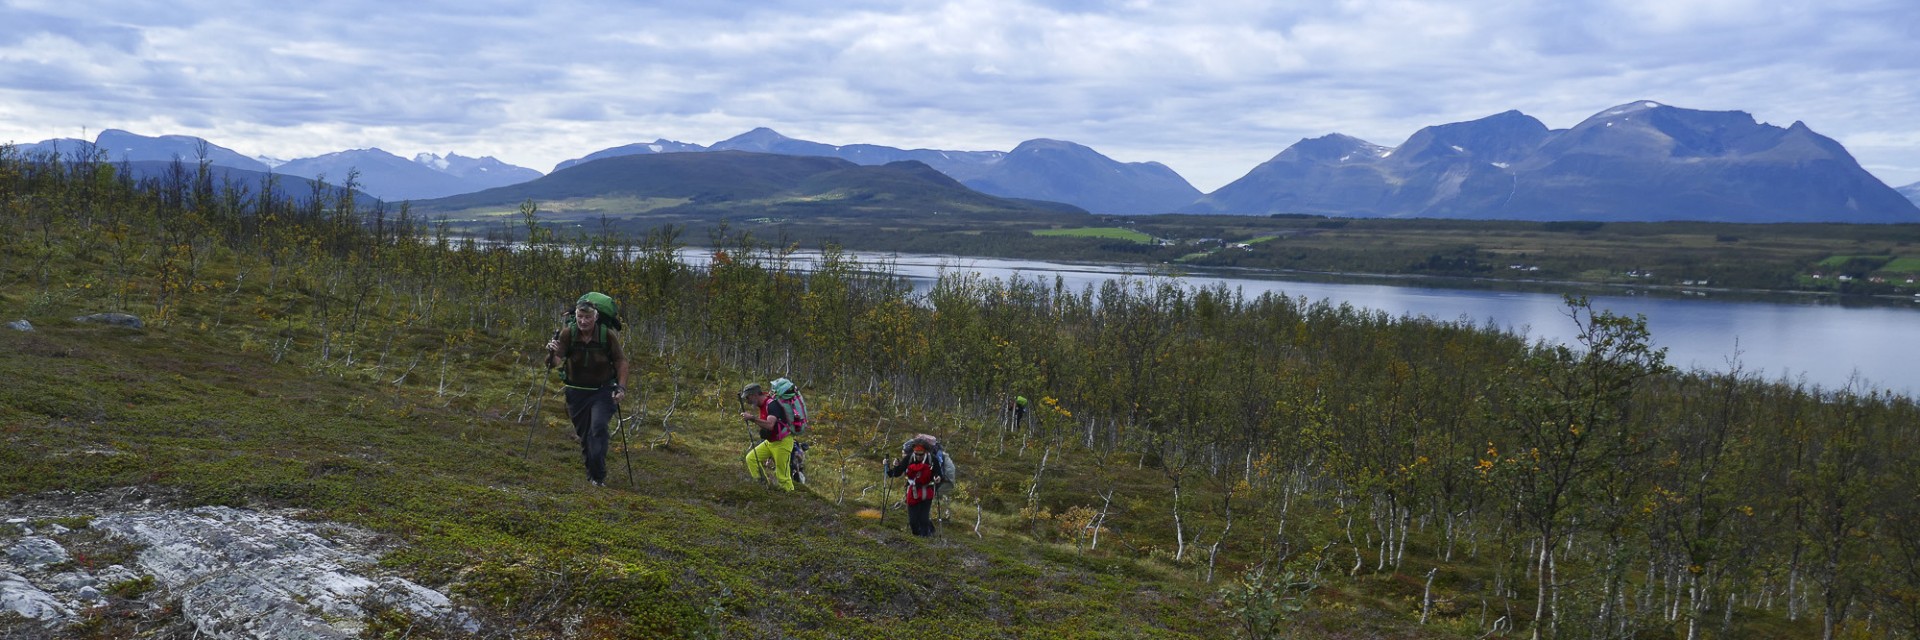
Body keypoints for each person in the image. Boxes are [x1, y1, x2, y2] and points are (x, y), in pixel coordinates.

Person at [545, 294, 628, 487]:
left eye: (587, 318)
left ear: (596, 317)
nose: (583, 321)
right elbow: (555, 363)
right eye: (580, 317)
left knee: (598, 429)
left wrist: (621, 387)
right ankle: (592, 475)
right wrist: (551, 352)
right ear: (576, 316)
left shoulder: (606, 335)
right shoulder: (568, 333)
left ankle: (598, 477)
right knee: (585, 436)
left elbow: (621, 361)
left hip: (603, 391)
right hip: (576, 392)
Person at [740, 383, 796, 491]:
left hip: (782, 442)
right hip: (771, 442)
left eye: (748, 397)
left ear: (755, 395)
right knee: (751, 458)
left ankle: (790, 497)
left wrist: (752, 418)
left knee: (782, 476)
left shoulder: (771, 405)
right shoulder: (762, 405)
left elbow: (770, 425)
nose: (747, 400)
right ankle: (762, 486)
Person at [888, 442, 944, 536]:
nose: (918, 456)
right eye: (916, 453)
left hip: (927, 491)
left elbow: (939, 474)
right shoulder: (909, 458)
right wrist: (891, 467)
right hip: (912, 492)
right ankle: (918, 537)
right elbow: (897, 473)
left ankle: (925, 538)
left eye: (921, 454)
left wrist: (937, 478)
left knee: (923, 518)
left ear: (925, 452)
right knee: (913, 521)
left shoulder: (932, 459)